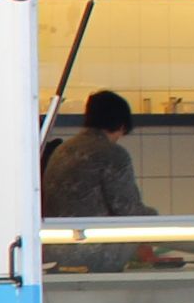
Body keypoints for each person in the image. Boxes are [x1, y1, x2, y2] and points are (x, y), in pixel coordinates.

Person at [43, 91, 151, 274]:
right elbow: (128, 210)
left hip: (55, 252)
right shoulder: (112, 154)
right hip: (95, 255)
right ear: (121, 125)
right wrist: (157, 222)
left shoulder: (62, 150)